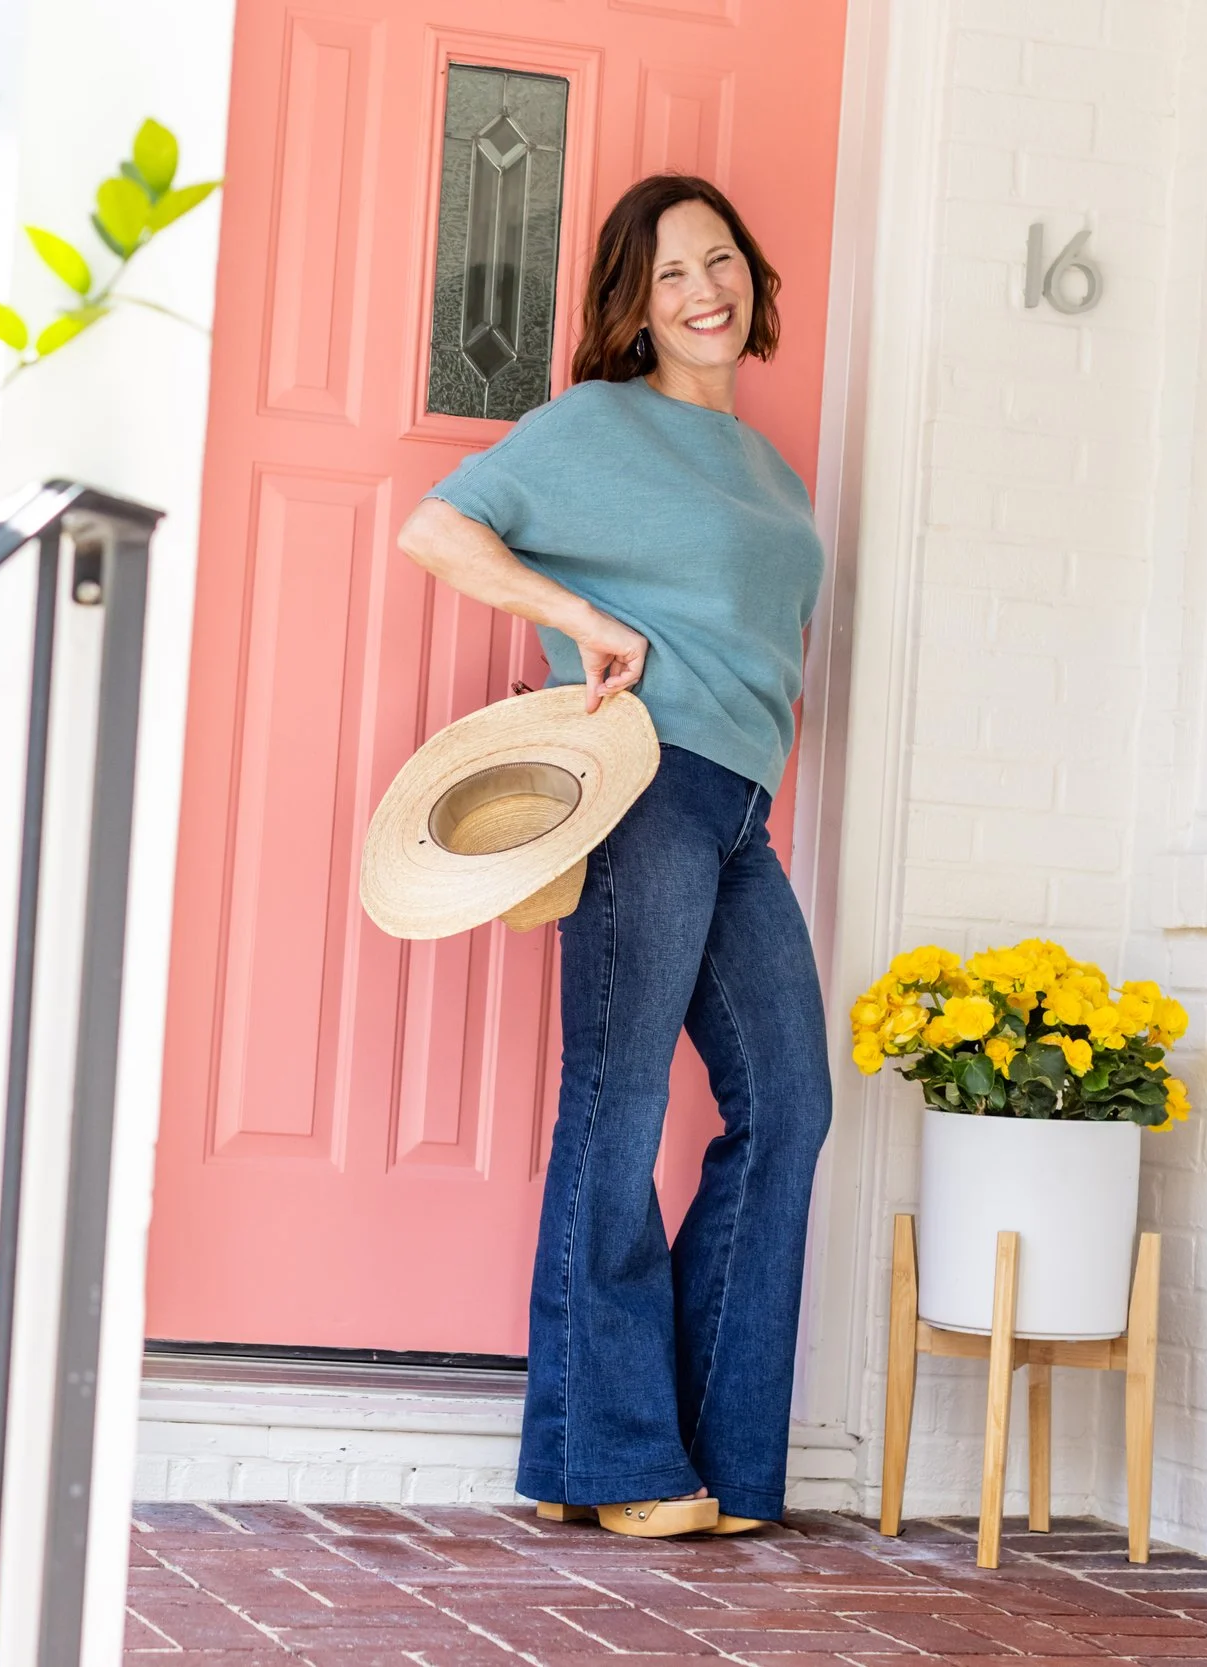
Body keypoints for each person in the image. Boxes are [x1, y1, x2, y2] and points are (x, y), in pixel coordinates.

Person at [396, 173, 833, 1539]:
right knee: (620, 1099)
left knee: (791, 1105)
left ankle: (721, 1452)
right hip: (643, 785)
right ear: (634, 313)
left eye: (721, 262)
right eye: (669, 279)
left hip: (739, 806)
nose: (704, 292)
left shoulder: (774, 470)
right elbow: (438, 527)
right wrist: (574, 614)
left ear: (754, 276)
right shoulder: (595, 425)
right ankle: (614, 1453)